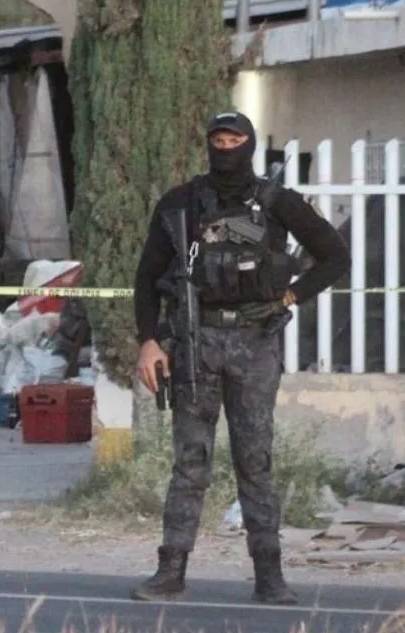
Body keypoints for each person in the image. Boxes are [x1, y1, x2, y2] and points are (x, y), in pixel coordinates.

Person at [129, 111, 350, 605]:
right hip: (195, 343)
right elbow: (147, 278)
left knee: (255, 460)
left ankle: (269, 576)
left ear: (249, 145)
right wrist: (149, 340)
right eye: (218, 140)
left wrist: (292, 297)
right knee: (190, 463)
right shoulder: (181, 205)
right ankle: (171, 571)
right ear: (208, 144)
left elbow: (335, 255)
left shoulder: (277, 203)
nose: (225, 148)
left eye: (235, 140)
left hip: (255, 342)